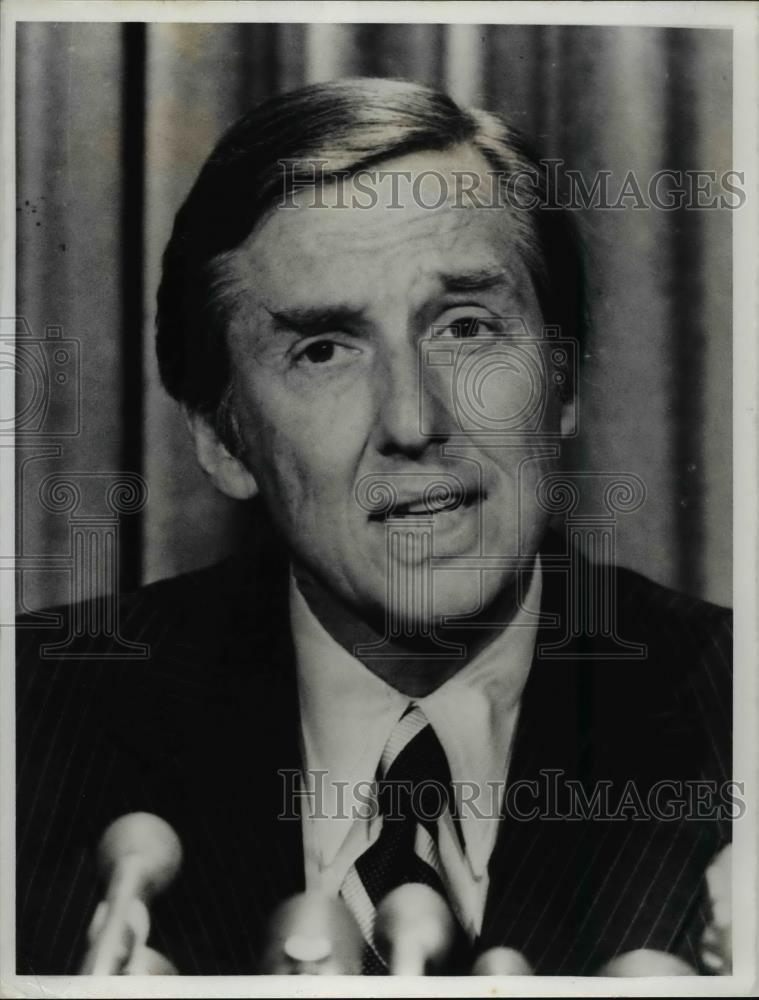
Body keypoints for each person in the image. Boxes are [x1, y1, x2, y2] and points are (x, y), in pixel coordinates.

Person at [16, 77, 732, 976]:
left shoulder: (729, 712)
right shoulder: (34, 723)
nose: (412, 418)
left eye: (465, 327)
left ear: (564, 384)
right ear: (222, 437)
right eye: (323, 349)